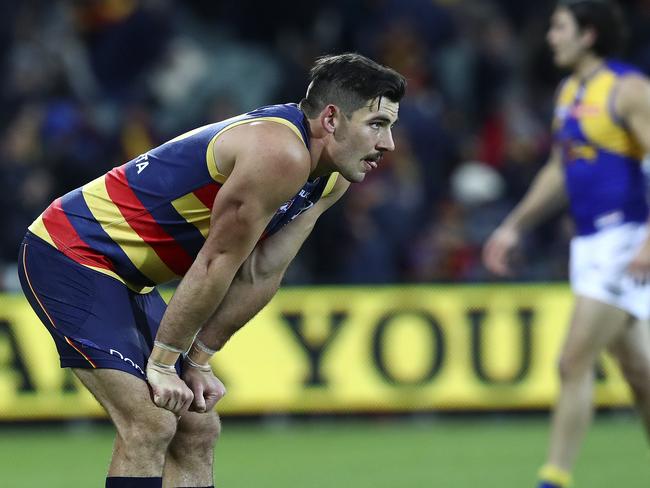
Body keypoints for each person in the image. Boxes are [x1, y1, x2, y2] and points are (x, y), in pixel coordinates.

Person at [18, 53, 405, 488]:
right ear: (331, 118)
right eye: (377, 124)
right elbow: (218, 260)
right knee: (151, 423)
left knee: (197, 429)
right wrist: (166, 362)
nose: (388, 143)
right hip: (73, 252)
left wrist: (198, 359)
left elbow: (261, 272)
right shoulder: (279, 152)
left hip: (132, 278)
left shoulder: (330, 178)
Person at [483, 1, 650, 486]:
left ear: (589, 34)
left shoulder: (628, 89)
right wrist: (514, 225)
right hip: (592, 242)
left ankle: (553, 478)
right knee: (639, 373)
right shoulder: (571, 92)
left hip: (627, 240)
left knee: (572, 360)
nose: (551, 37)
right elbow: (561, 168)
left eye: (560, 27)